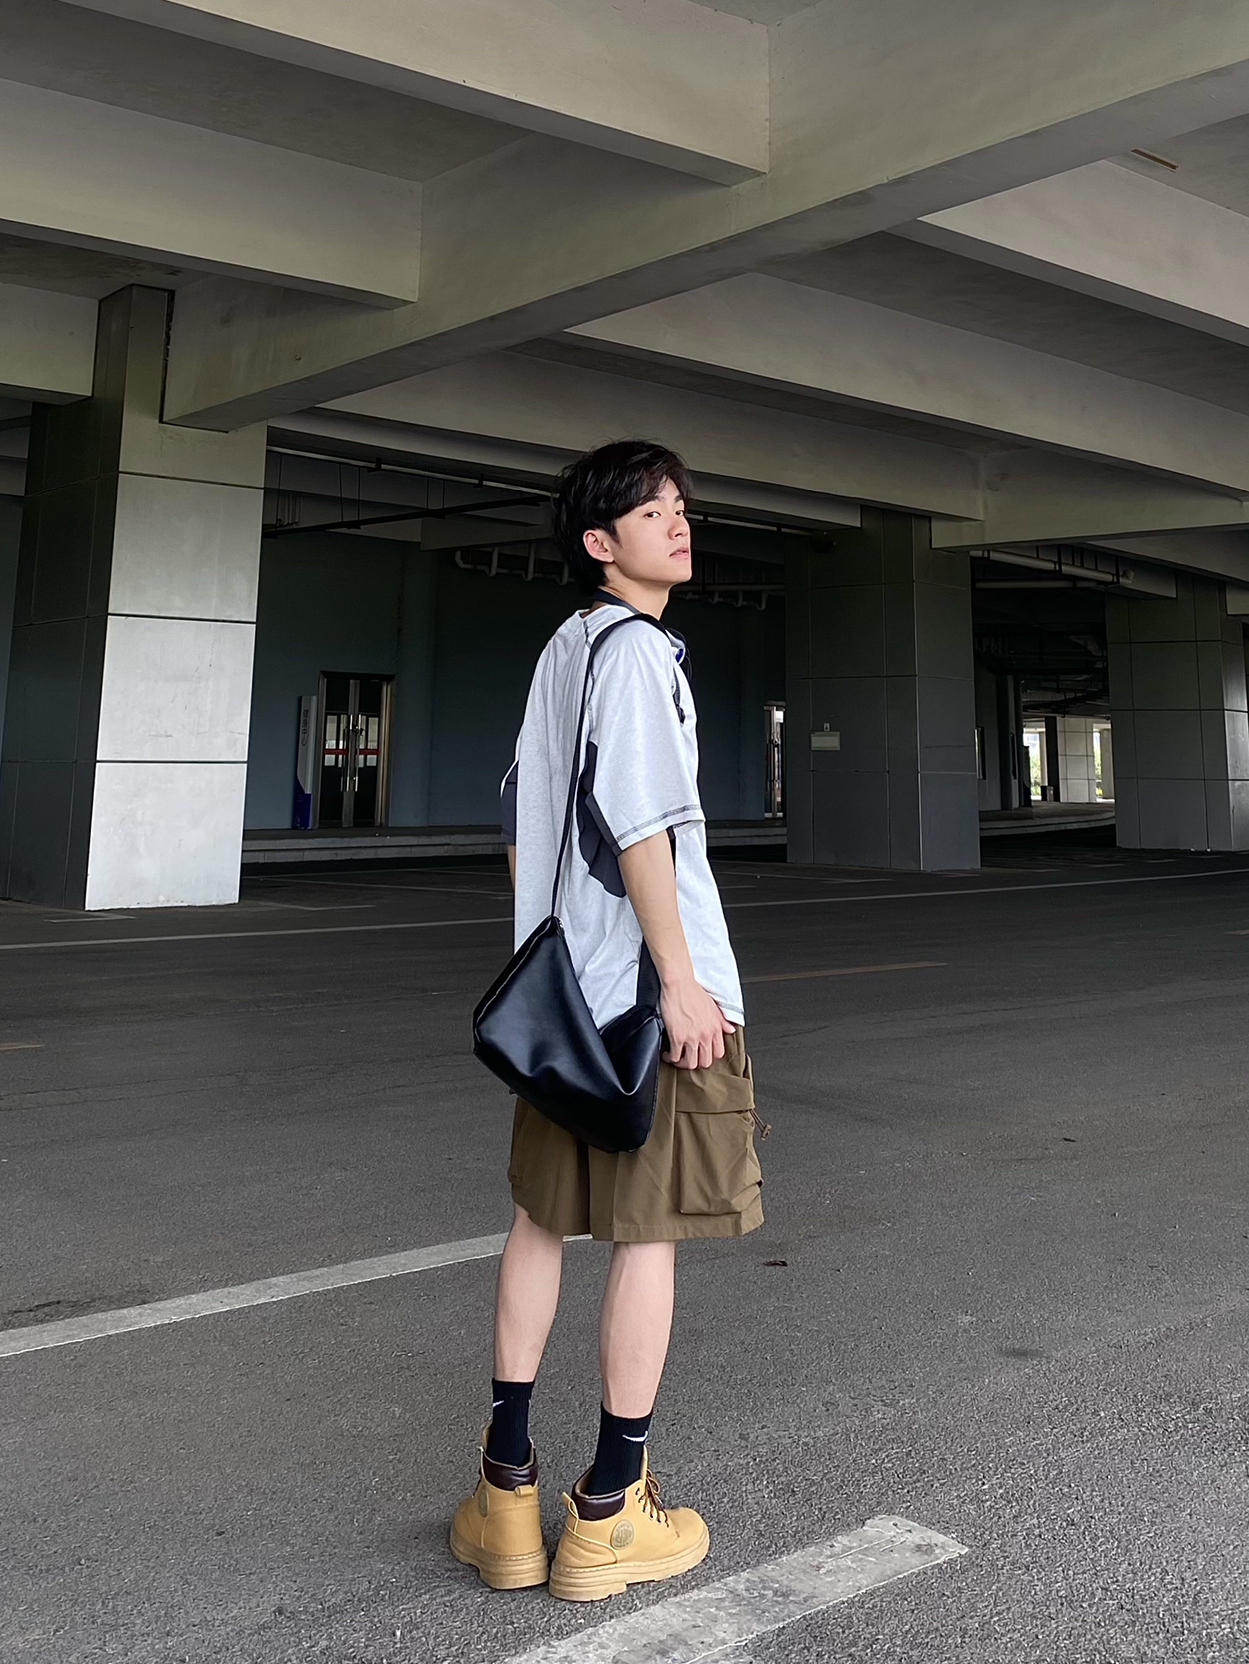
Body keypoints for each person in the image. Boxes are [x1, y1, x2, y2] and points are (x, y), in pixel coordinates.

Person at [450, 439, 765, 1603]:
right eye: (650, 510)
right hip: (642, 998)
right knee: (648, 1232)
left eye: (682, 506)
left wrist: (560, 938)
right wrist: (678, 979)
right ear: (599, 542)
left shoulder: (566, 649)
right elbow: (641, 824)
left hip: (562, 999)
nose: (678, 524)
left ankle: (505, 1495)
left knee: (539, 1220)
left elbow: (519, 815)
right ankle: (609, 1509)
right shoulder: (635, 652)